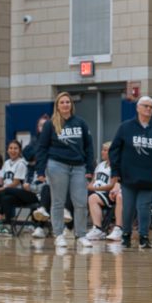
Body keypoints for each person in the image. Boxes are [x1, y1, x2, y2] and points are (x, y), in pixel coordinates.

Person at [36, 92, 95, 249]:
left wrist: (90, 168)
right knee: (58, 201)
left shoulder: (80, 123)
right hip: (57, 165)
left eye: (68, 102)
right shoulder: (50, 124)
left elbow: (89, 146)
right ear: (57, 105)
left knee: (81, 202)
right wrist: (40, 170)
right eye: (62, 102)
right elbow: (42, 148)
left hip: (78, 166)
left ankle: (81, 235)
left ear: (71, 104)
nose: (65, 105)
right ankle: (59, 234)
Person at [109, 95, 152, 250]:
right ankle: (126, 234)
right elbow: (114, 150)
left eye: (151, 107)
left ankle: (144, 237)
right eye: (145, 106)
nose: (148, 109)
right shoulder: (125, 127)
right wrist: (115, 171)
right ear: (138, 107)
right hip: (128, 176)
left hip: (148, 177)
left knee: (144, 207)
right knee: (128, 208)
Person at [80, 142, 117, 246]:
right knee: (79, 195)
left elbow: (113, 185)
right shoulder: (100, 165)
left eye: (105, 150)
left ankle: (98, 229)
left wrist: (97, 188)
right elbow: (92, 182)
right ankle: (70, 226)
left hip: (109, 194)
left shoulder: (115, 166)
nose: (102, 152)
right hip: (97, 191)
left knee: (92, 197)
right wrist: (91, 187)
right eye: (102, 150)